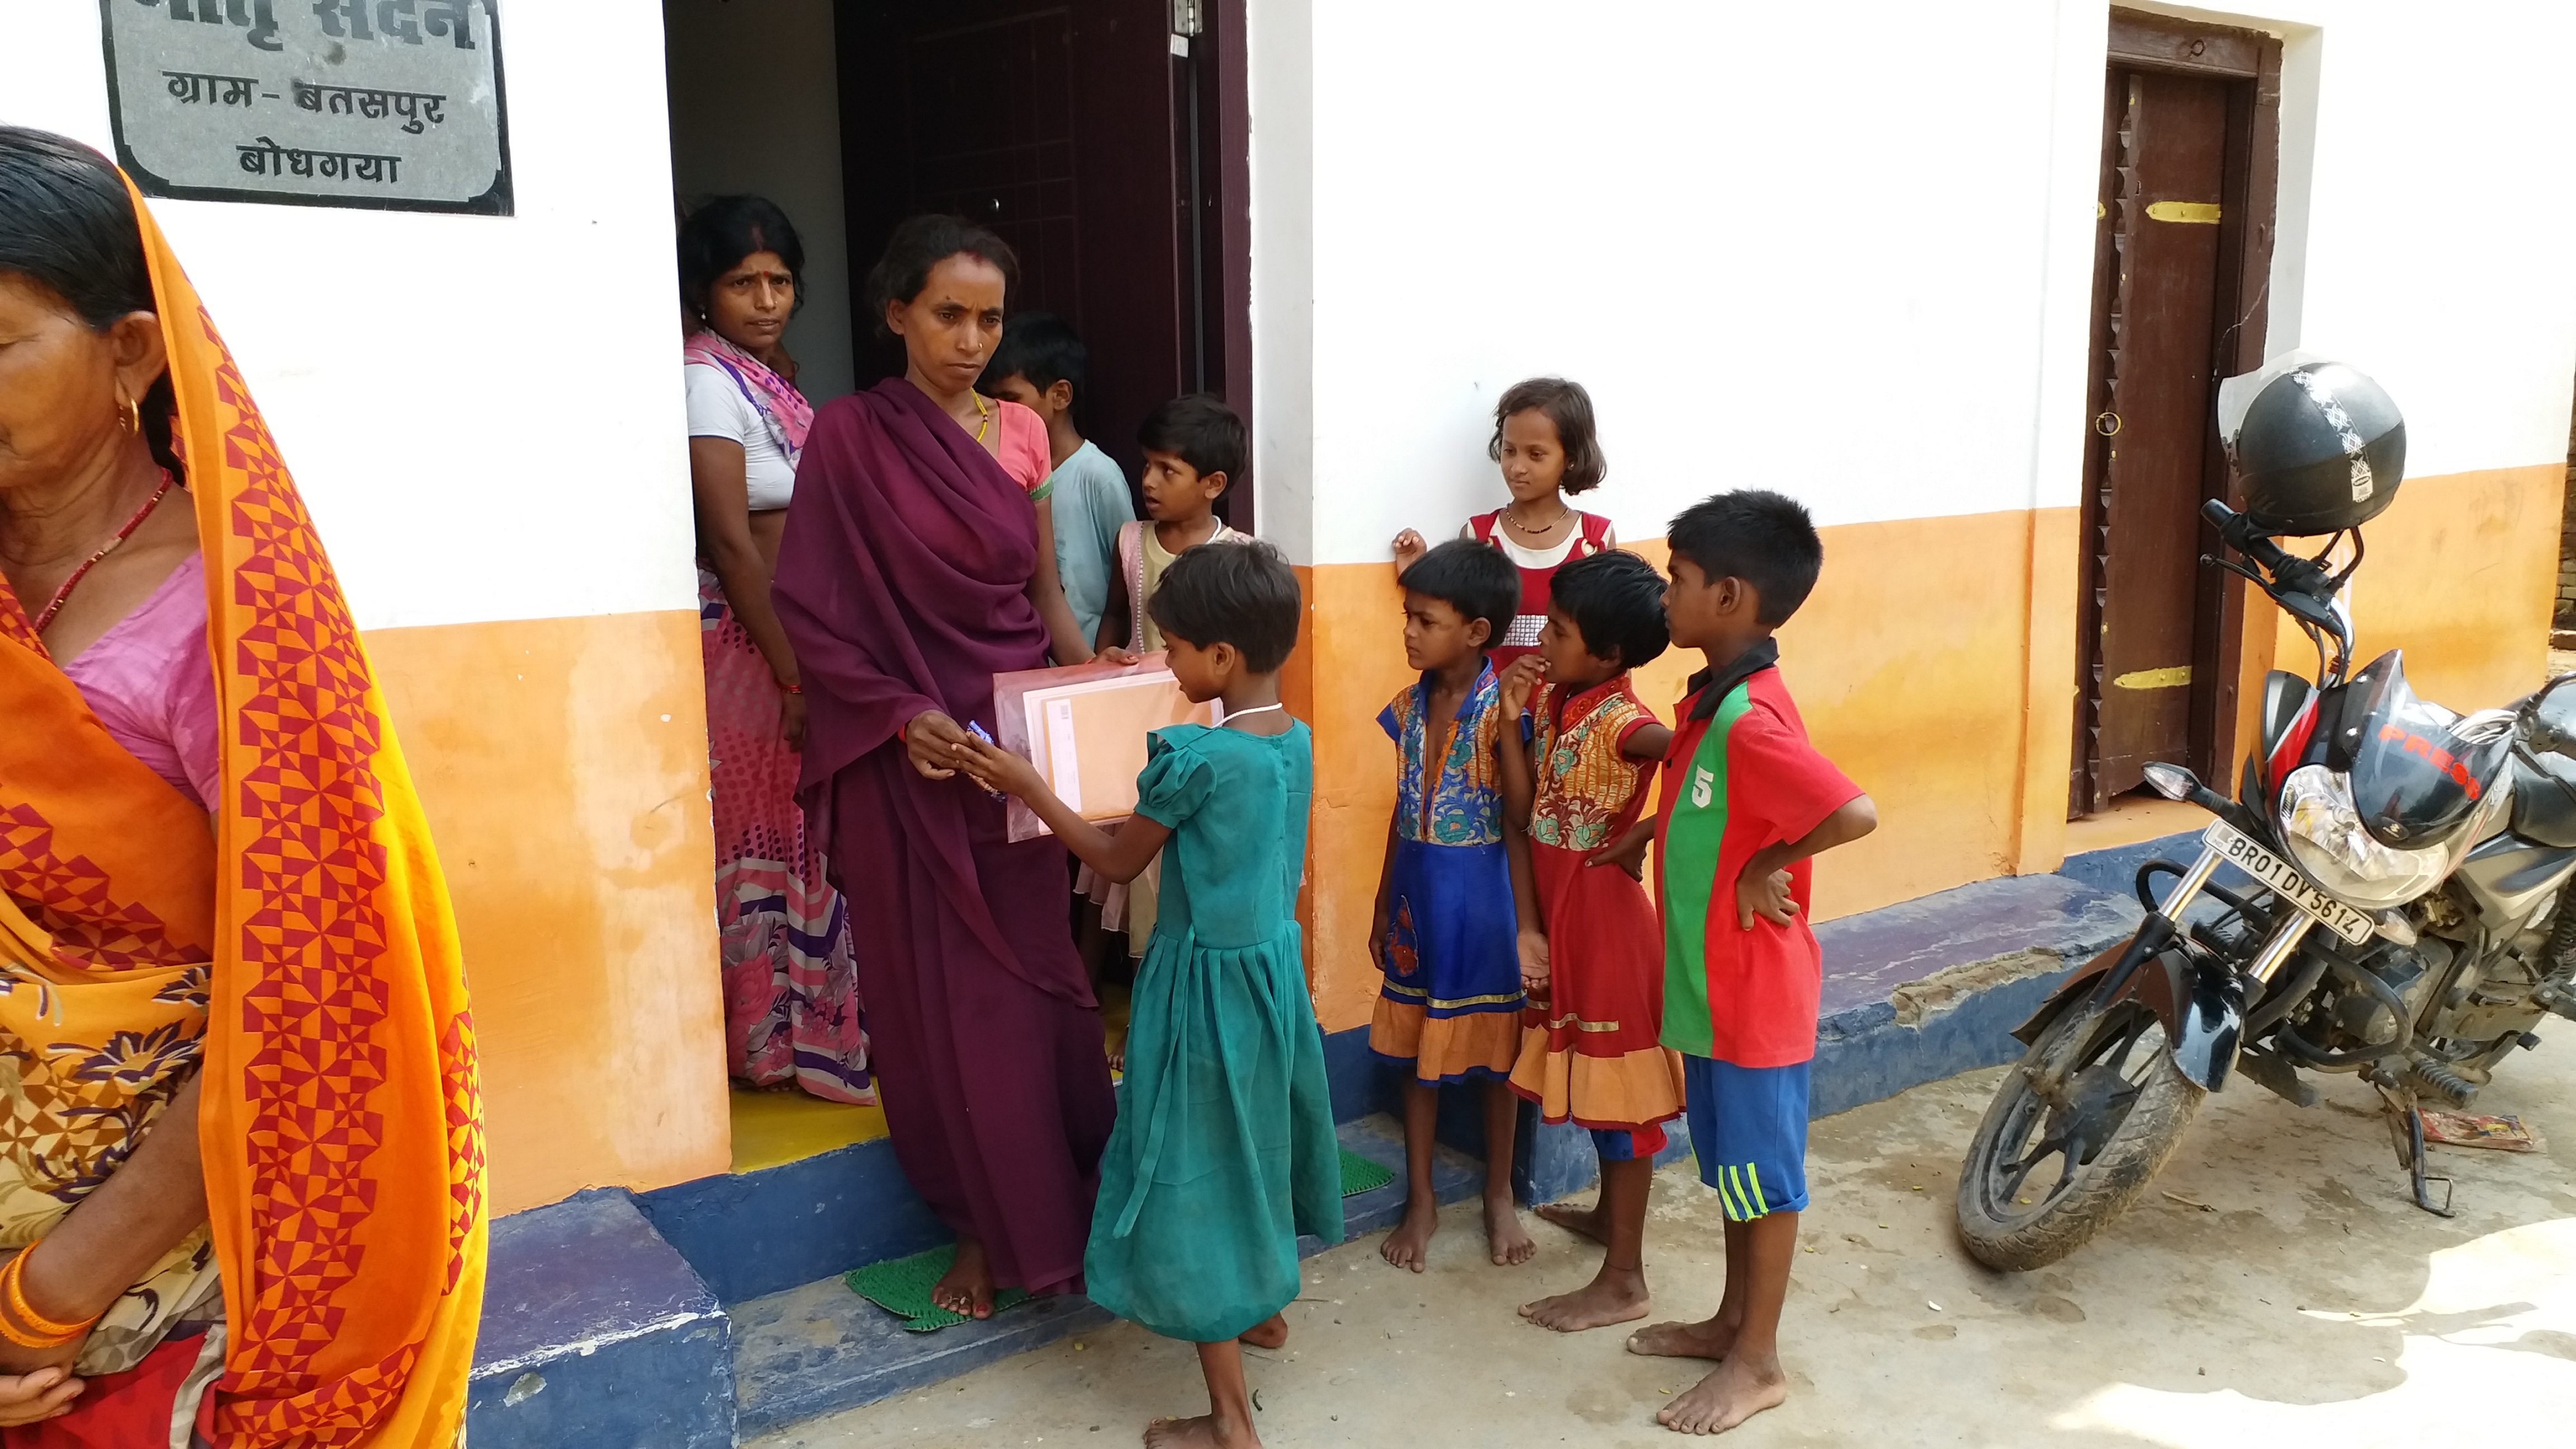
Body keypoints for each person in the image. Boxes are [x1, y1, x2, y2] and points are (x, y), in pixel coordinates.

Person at [0, 126, 482, 1442]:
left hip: (153, 1279)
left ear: (130, 354)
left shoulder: (228, 629)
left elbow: (313, 1013)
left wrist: (44, 1297)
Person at [771, 214, 1117, 1320]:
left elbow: (1041, 593)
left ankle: (1074, 1207)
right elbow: (814, 614)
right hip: (902, 753)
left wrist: (1093, 673)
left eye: (989, 318)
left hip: (1013, 751)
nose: (971, 338)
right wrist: (900, 712)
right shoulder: (848, 436)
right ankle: (974, 1226)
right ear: (897, 316)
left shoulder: (1021, 432)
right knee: (934, 1003)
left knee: (1037, 986)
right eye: (948, 315)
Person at [956, 541, 1339, 1449]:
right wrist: (1137, 673)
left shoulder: (1197, 762)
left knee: (1197, 1174)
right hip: (1269, 980)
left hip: (1200, 989)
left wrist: (1028, 785)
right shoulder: (1292, 740)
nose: (1163, 662)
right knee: (1255, 1148)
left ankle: (1229, 1419)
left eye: (1171, 648)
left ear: (1219, 660)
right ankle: (1266, 1312)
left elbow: (1115, 858)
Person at [1622, 491, 1877, 1435]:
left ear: (1727, 595)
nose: (1664, 593)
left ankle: (1757, 1362)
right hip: (1709, 991)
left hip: (1753, 1003)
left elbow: (1851, 812)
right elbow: (1710, 805)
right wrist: (1647, 833)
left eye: (1677, 578)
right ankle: (1731, 1321)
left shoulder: (1747, 718)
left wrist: (1768, 864)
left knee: (1763, 1180)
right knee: (1732, 1170)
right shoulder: (1713, 699)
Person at [679, 194, 872, 1104]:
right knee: (777, 837)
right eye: (741, 282)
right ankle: (773, 1045)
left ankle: (809, 1039)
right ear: (704, 292)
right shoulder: (706, 381)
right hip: (751, 651)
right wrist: (793, 670)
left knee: (807, 836)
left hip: (795, 637)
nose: (765, 299)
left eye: (780, 281)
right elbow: (730, 538)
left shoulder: (763, 375)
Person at [1493, 550, 1684, 1334]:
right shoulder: (1559, 699)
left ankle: (1626, 1281)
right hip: (1561, 916)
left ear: (1609, 654)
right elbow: (1522, 807)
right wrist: (1509, 722)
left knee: (1621, 1103)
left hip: (1607, 926)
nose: (1544, 637)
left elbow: (1713, 762)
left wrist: (1644, 830)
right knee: (1600, 1092)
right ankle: (1613, 1223)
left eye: (1561, 630)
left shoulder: (1626, 723)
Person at [1370, 539, 1537, 1272]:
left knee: (1499, 1063)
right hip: (1416, 900)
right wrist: (1380, 904)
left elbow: (1522, 815)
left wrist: (1507, 728)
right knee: (1416, 1055)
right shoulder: (1406, 708)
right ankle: (1423, 1200)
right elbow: (1399, 809)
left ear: (1475, 633)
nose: (1408, 632)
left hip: (1487, 904)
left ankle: (1499, 1192)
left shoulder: (1507, 709)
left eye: (1425, 620)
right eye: (1407, 616)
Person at [1083, 395, 1251, 965]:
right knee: (1124, 864)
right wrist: (1100, 654)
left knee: (1185, 859)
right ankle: (1113, 993)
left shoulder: (1239, 557)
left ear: (1213, 483)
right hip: (1134, 733)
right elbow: (1115, 612)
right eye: (1147, 464)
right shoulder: (1132, 541)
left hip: (1206, 733)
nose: (1148, 480)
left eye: (1167, 470)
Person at [1391, 377, 1618, 671]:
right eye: (1510, 451)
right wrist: (1417, 571)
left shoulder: (1595, 540)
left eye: (1535, 455)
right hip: (1490, 710)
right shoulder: (1480, 535)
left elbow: (1606, 637)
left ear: (1571, 459)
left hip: (1564, 710)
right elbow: (1454, 618)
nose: (1517, 467)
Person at [980, 312, 1134, 649]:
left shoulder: (1098, 476)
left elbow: (1129, 582)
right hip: (1027, 656)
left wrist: (1099, 664)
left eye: (1011, 399)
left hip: (1088, 659)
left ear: (1060, 395)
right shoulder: (999, 472)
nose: (998, 412)